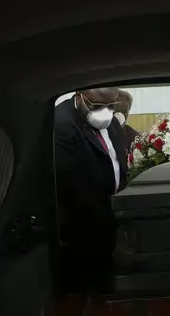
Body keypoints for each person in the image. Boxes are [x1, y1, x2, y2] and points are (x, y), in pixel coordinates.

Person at [54, 87, 128, 292]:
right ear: (79, 96)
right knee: (89, 289)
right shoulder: (61, 123)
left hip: (111, 217)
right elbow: (70, 183)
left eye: (111, 105)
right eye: (97, 105)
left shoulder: (110, 121)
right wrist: (106, 218)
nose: (105, 111)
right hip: (82, 226)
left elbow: (118, 161)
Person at [114, 89, 139, 153]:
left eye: (124, 112)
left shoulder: (134, 137)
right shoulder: (99, 135)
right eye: (116, 111)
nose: (119, 115)